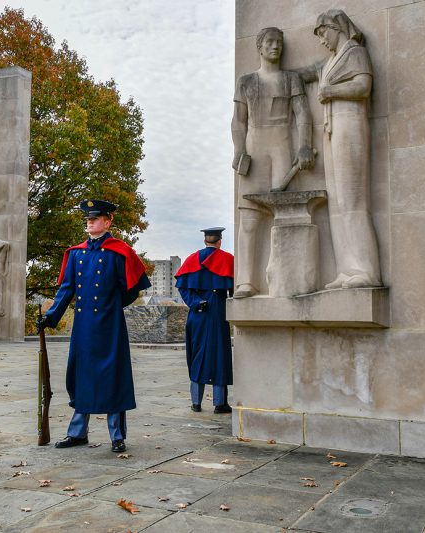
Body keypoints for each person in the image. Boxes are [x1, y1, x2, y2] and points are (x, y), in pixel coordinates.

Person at [38, 199, 151, 453]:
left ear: (108, 222)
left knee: (113, 378)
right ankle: (77, 432)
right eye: (88, 219)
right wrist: (51, 316)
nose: (89, 222)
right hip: (84, 326)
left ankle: (117, 435)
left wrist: (112, 306)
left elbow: (132, 289)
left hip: (110, 326)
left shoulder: (119, 251)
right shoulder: (76, 253)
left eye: (95, 218)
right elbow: (67, 290)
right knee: (83, 376)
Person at [296, 9, 381, 289]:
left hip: (350, 125)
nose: (322, 40)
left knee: (353, 200)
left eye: (323, 33)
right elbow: (306, 74)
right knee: (338, 203)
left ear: (336, 28)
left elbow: (363, 85)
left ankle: (366, 270)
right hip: (332, 131)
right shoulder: (331, 61)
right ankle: (346, 269)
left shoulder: (354, 52)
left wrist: (331, 92)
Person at [231, 26, 315, 298]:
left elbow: (303, 114)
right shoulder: (246, 81)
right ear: (259, 47)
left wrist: (303, 146)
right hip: (255, 147)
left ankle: (285, 278)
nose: (275, 46)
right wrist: (238, 150)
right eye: (269, 41)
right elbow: (239, 120)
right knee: (249, 218)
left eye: (278, 42)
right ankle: (245, 281)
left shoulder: (291, 78)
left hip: (282, 146)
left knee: (286, 213)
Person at [175, 227, 235, 413]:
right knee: (219, 356)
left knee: (197, 355)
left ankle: (196, 402)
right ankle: (219, 404)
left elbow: (183, 287)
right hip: (218, 312)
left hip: (197, 314)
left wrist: (196, 302)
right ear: (219, 241)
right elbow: (234, 288)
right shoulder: (227, 259)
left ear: (205, 241)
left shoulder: (192, 259)